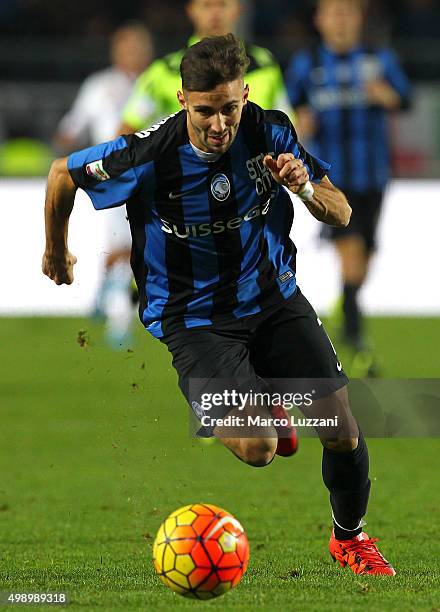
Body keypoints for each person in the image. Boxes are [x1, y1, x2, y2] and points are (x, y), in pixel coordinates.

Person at [42, 34, 396, 576]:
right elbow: (63, 173)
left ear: (245, 95)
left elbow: (342, 212)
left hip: (274, 300)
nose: (218, 125)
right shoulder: (149, 153)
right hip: (193, 320)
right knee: (259, 448)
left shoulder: (271, 130)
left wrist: (303, 187)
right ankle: (259, 396)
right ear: (183, 99)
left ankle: (349, 538)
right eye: (205, 110)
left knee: (342, 430)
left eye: (230, 108)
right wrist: (56, 250)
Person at [286, 0, 411, 374]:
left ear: (359, 19)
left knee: (364, 258)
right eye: (333, 14)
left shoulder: (379, 59)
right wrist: (299, 123)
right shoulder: (307, 63)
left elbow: (406, 97)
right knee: (352, 253)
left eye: (347, 14)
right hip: (331, 180)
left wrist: (388, 96)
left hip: (373, 175)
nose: (339, 21)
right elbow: (286, 110)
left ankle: (347, 300)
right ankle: (357, 345)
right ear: (319, 20)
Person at [54, 22, 153, 348]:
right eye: (128, 46)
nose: (134, 53)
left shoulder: (159, 84)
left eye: (140, 46)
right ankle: (120, 323)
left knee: (133, 248)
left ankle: (106, 293)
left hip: (153, 177)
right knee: (127, 247)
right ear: (116, 50)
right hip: (110, 177)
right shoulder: (99, 86)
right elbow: (73, 125)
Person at [119, 0, 292, 134]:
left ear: (238, 9)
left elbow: (287, 125)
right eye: (207, 5)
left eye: (222, 5)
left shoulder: (264, 64)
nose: (215, 14)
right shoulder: (164, 71)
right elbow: (128, 129)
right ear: (191, 10)